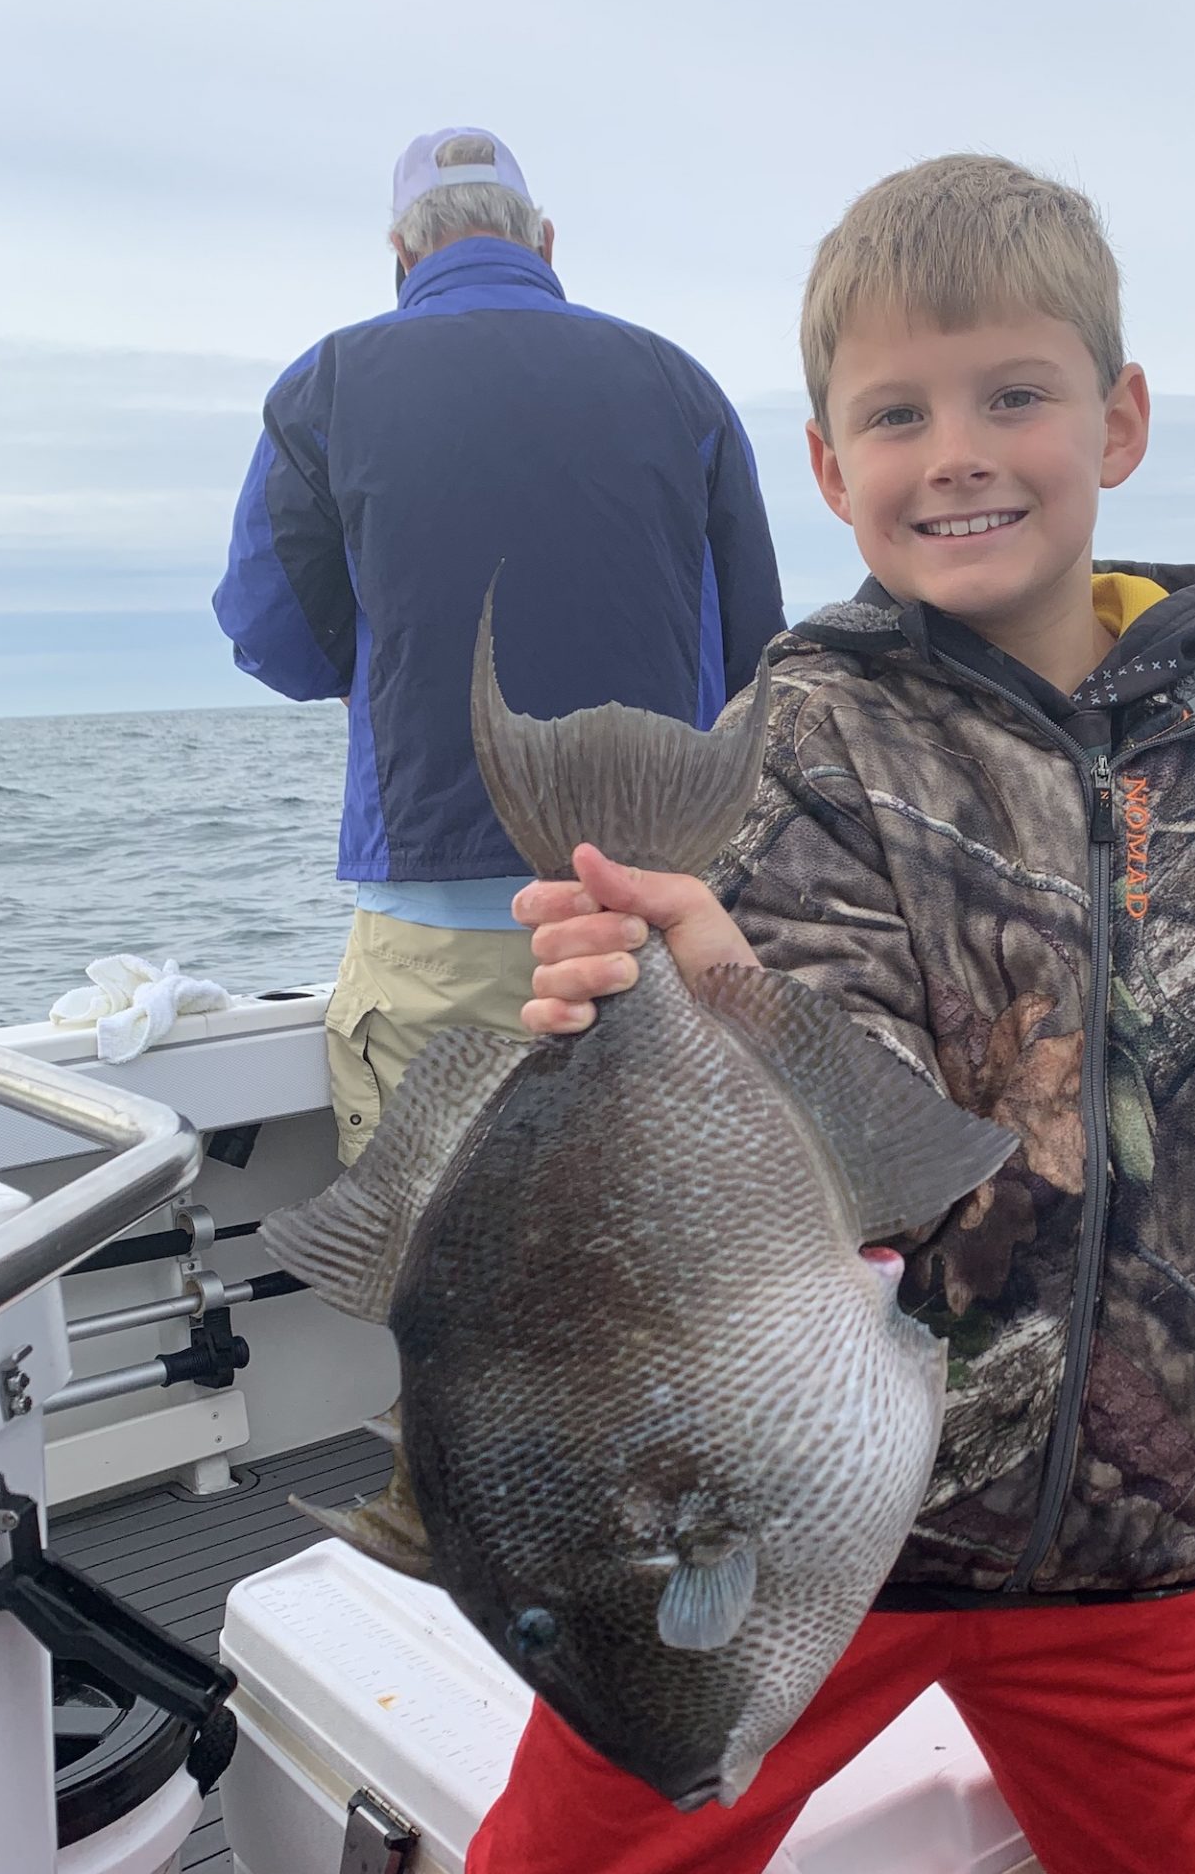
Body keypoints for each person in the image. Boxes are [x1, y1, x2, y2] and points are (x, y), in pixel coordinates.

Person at [269, 153, 1195, 1874]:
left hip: (1122, 1524)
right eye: (897, 415)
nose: (957, 453)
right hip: (783, 1513)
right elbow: (860, 1136)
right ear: (825, 463)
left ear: (1124, 420)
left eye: (1014, 392)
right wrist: (697, 979)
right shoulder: (796, 732)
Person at [214, 127, 783, 1164]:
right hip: (657, 929)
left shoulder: (328, 385)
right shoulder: (682, 386)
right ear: (546, 243)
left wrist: (387, 656)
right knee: (658, 1275)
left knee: (446, 1287)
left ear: (400, 252)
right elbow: (758, 659)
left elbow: (271, 638)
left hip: (434, 944)